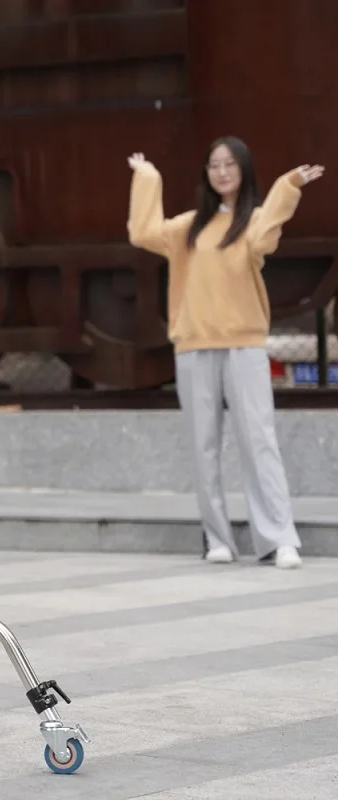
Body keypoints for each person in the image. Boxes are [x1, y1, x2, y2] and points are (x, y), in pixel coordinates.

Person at [126, 136, 324, 570]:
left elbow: (268, 236)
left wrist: (289, 185)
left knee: (259, 441)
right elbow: (142, 232)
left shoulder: (253, 223)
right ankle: (217, 538)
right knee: (204, 446)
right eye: (214, 165)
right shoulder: (188, 228)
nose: (221, 172)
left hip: (243, 346)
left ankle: (277, 539)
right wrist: (147, 176)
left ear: (243, 171)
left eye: (230, 165)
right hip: (195, 348)